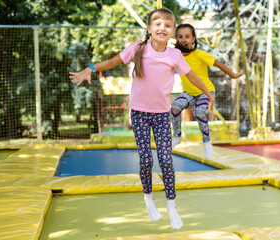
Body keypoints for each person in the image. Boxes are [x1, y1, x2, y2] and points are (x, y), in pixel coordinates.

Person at [69, 8, 214, 230]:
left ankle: (172, 206)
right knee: (146, 160)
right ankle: (148, 199)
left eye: (167, 25)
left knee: (166, 160)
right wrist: (90, 68)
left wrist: (208, 94)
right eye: (157, 24)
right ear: (149, 28)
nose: (162, 28)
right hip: (138, 113)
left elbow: (192, 76)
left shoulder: (174, 55)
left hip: (161, 115)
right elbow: (113, 61)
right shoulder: (139, 47)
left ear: (172, 32)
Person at [171, 23, 243, 158]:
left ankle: (207, 142)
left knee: (199, 112)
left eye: (187, 37)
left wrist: (233, 75)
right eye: (180, 37)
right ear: (176, 38)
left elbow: (218, 64)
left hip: (206, 91)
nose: (183, 40)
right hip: (189, 93)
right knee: (175, 107)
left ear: (193, 39)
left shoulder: (200, 54)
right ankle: (177, 136)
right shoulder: (175, 56)